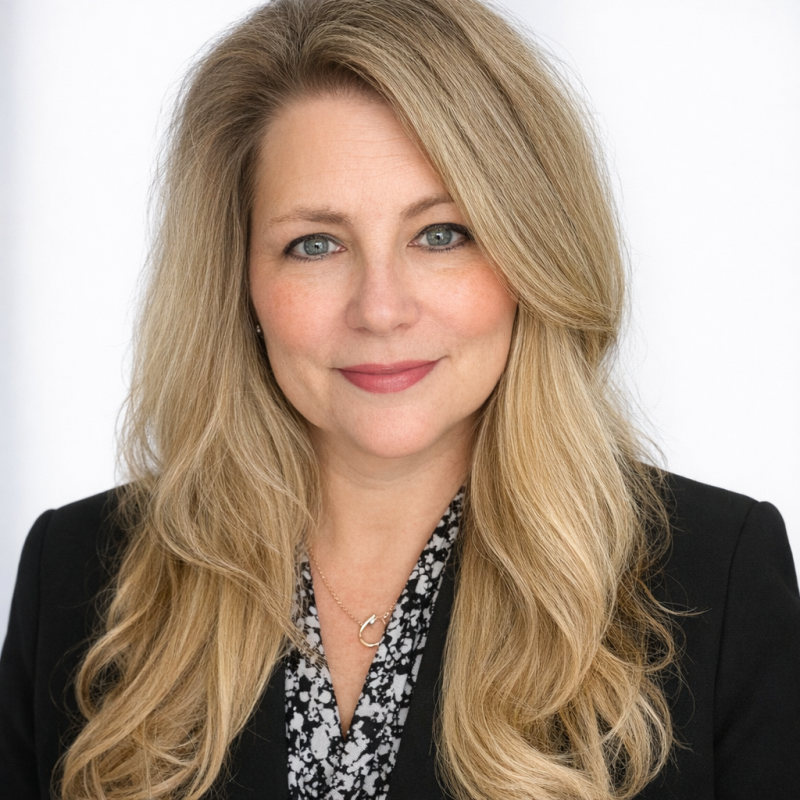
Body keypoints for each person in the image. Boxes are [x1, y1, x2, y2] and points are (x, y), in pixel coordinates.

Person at [1, 0, 799, 798]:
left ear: (530, 252)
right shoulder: (77, 580)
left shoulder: (717, 584)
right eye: (315, 244)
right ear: (238, 281)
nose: (381, 309)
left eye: (441, 234)